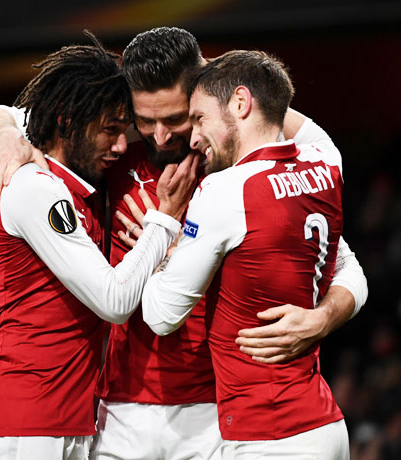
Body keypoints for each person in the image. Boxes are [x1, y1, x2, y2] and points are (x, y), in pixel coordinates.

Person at [0, 27, 367, 460]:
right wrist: (7, 133)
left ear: (203, 99)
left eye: (176, 119)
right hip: (116, 411)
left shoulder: (240, 162)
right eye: (145, 121)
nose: (159, 136)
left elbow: (337, 254)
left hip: (212, 413)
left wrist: (324, 317)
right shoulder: (111, 143)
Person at [0, 36, 199, 460]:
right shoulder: (36, 188)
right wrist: (163, 220)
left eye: (123, 130)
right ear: (67, 121)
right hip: (21, 428)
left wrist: (1, 130)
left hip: (68, 421)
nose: (123, 145)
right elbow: (113, 300)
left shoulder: (77, 187)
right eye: (110, 130)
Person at [141, 49, 350, 459]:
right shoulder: (326, 158)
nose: (194, 137)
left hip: (270, 435)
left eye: (199, 118)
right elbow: (351, 271)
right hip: (323, 425)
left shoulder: (225, 191)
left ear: (240, 103)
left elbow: (160, 314)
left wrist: (164, 235)